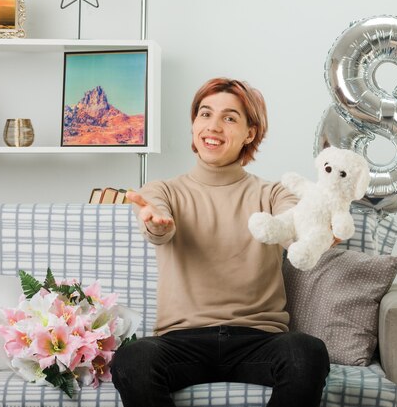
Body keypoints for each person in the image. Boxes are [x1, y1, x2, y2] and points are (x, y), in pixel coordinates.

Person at [111, 77, 330, 407]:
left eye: (229, 118)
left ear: (250, 133)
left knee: (308, 352)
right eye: (205, 113)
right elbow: (159, 227)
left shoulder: (274, 193)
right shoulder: (162, 191)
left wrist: (313, 231)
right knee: (132, 360)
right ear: (194, 123)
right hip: (180, 342)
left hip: (258, 340)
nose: (213, 127)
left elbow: (293, 226)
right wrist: (157, 224)